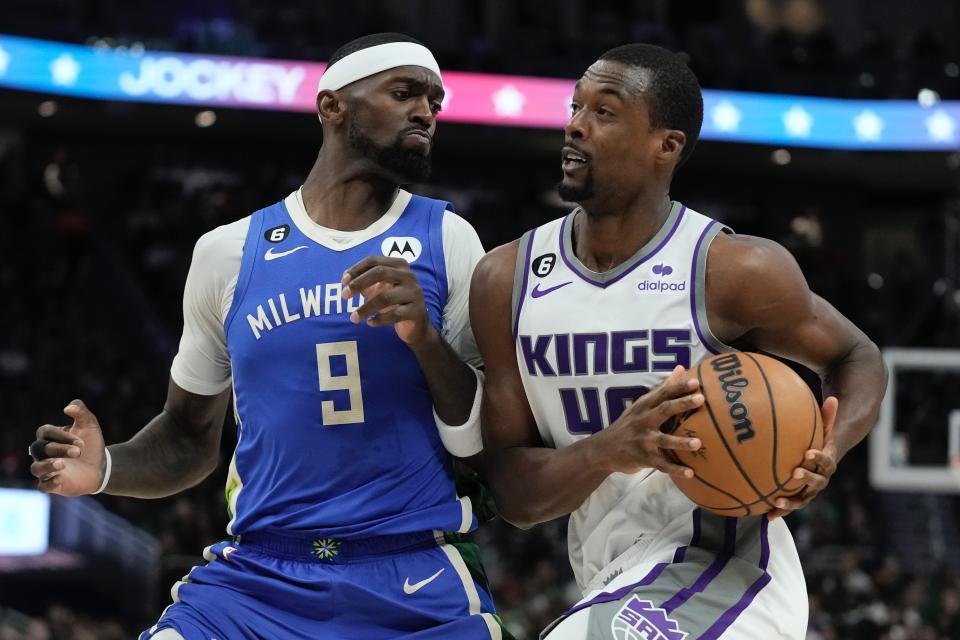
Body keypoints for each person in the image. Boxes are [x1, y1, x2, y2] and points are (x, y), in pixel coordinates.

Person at [28, 33, 508, 640]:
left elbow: (482, 445)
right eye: (405, 92)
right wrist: (105, 468)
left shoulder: (450, 239)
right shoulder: (227, 253)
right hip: (258, 579)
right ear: (332, 106)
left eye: (435, 102)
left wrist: (425, 342)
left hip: (411, 577)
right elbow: (187, 438)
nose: (426, 112)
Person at [470, 43, 887, 639]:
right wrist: (609, 449)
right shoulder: (504, 280)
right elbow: (515, 497)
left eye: (605, 112)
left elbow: (858, 357)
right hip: (609, 573)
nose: (575, 126)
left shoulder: (732, 268)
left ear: (666, 145)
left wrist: (828, 451)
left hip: (726, 562)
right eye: (575, 107)